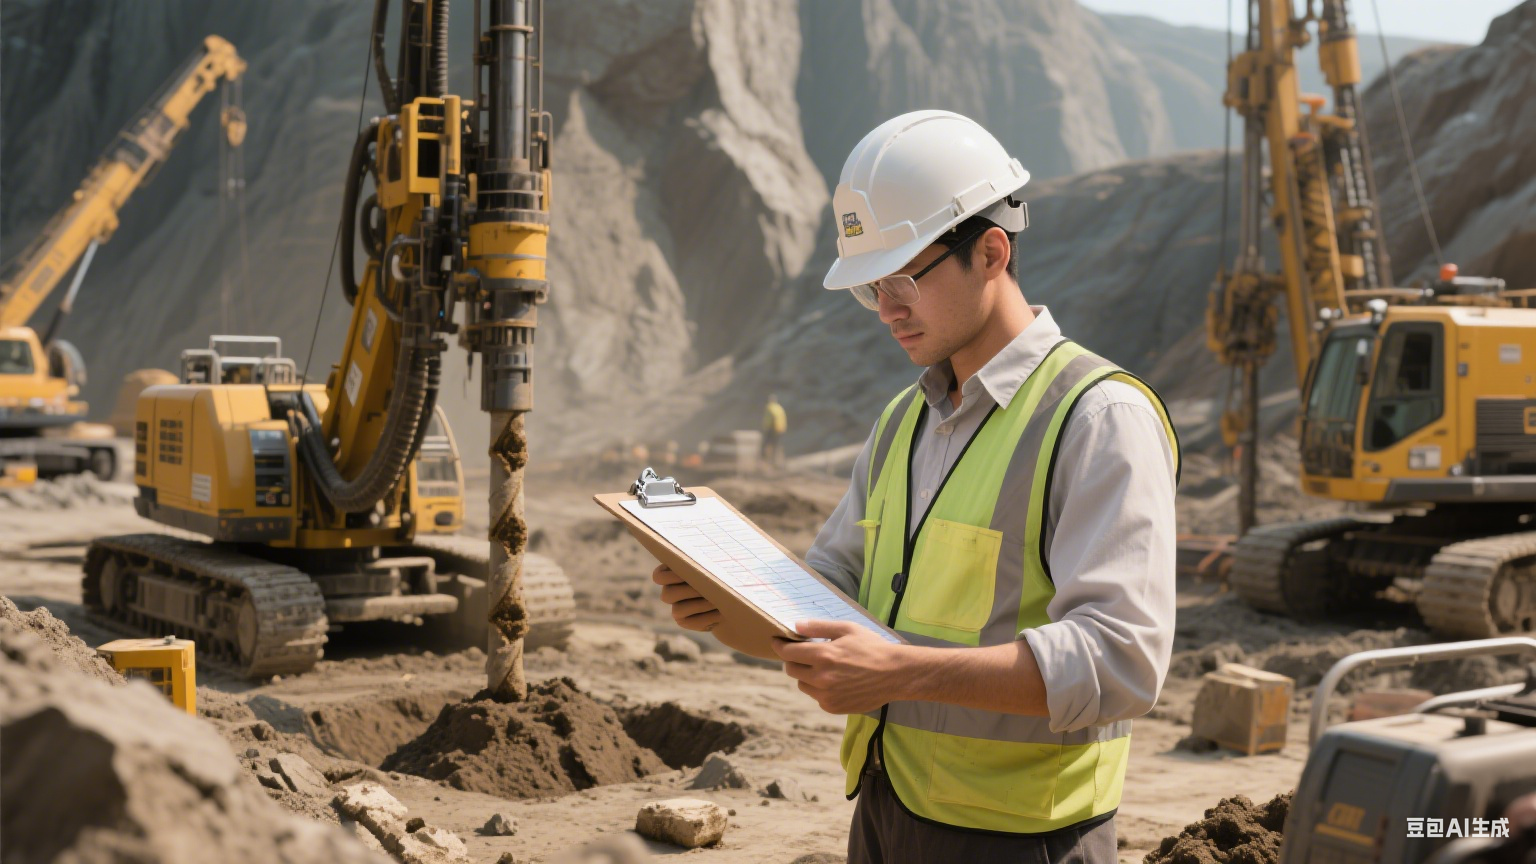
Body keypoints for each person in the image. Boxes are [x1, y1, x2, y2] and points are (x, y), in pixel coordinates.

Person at [651, 110, 1178, 862]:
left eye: (901, 280)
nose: (887, 311)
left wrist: (899, 671)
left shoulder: (1098, 418)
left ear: (990, 252)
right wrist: (735, 606)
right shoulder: (905, 420)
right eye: (872, 289)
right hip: (886, 810)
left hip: (1025, 838)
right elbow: (836, 585)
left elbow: (1120, 660)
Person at [762, 394, 788, 469]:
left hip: (772, 429)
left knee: (767, 445)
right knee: (776, 445)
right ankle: (777, 461)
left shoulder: (770, 408)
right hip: (780, 429)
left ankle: (767, 461)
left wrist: (767, 428)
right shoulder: (779, 408)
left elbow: (769, 419)